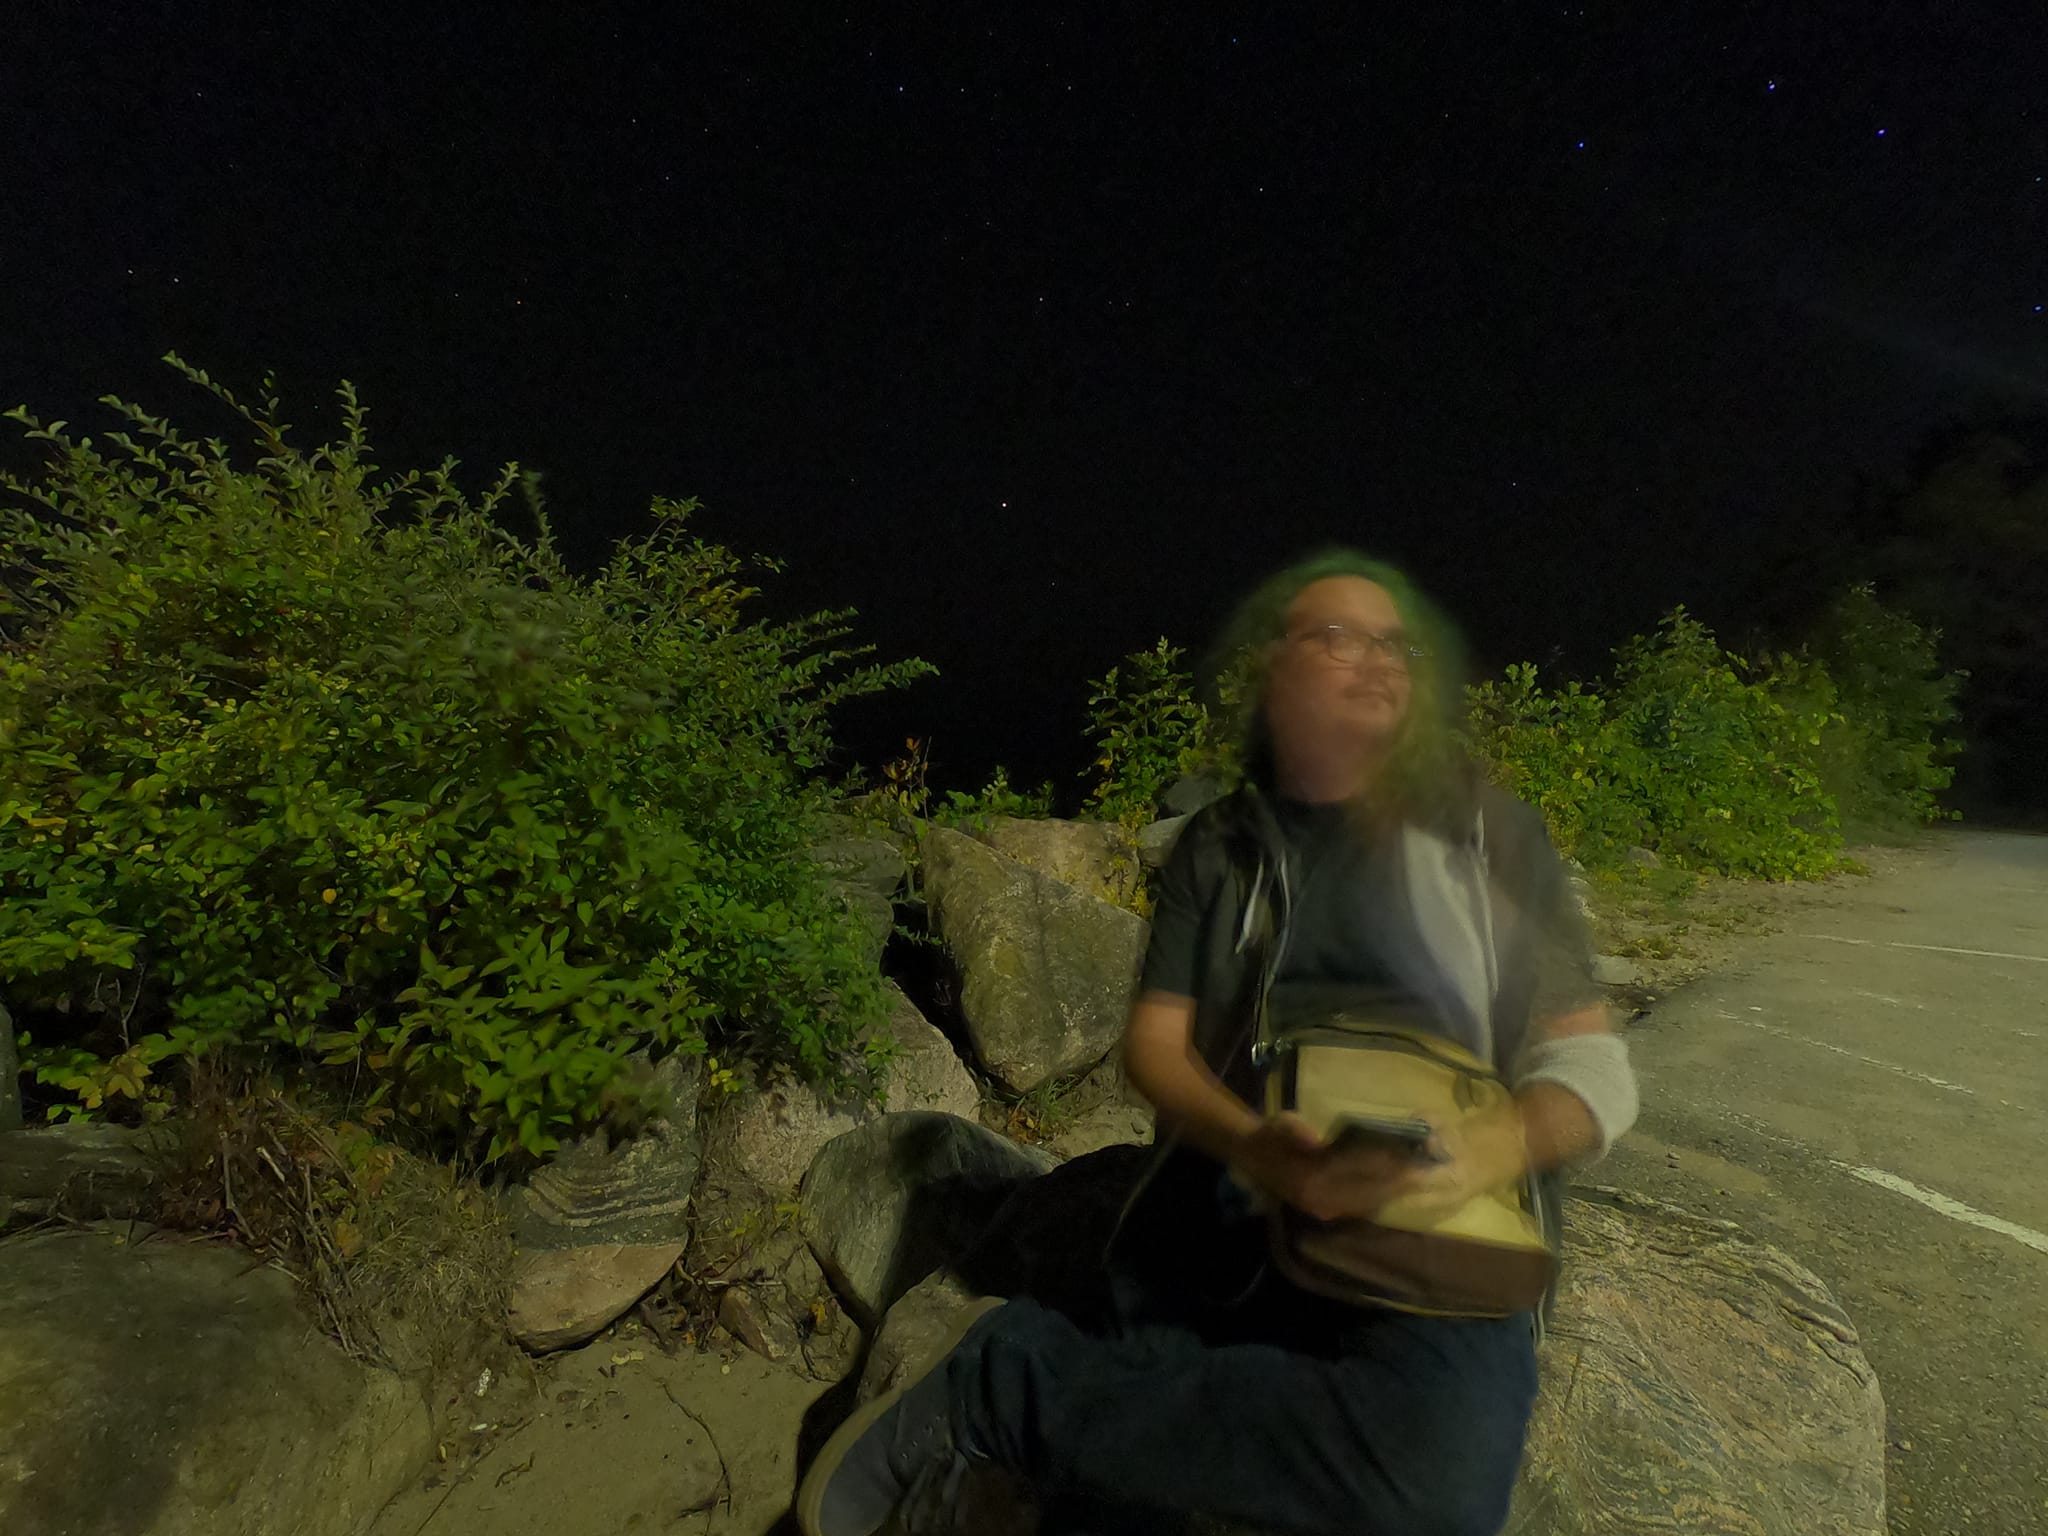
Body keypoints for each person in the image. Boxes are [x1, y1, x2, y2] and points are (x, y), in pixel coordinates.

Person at [797, 550, 1640, 1536]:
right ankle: (996, 1398)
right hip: (1230, 1202)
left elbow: (1591, 1063)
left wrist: (1485, 1151)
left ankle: (1012, 1386)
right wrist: (1248, 1144)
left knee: (1439, 1492)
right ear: (1275, 674)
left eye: (1392, 644)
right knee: (1119, 1492)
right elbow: (1154, 1047)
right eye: (1334, 637)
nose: (1371, 660)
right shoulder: (1223, 848)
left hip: (1444, 1220)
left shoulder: (1497, 841)